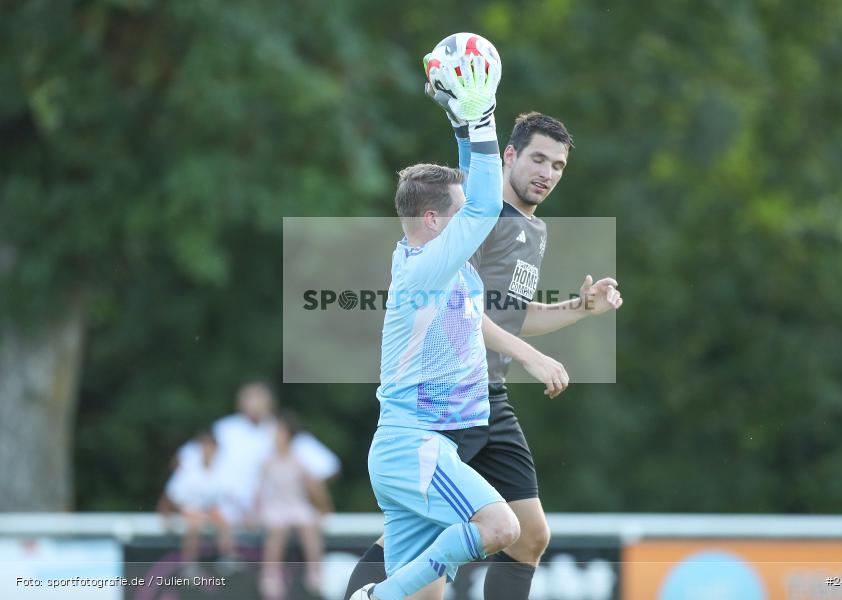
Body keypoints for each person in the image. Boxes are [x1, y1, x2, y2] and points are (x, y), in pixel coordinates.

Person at [345, 110, 622, 599]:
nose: (548, 172)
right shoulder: (480, 221)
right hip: (451, 404)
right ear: (509, 156)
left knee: (528, 534)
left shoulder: (529, 229)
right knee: (432, 549)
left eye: (558, 165)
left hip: (486, 398)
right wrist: (472, 117)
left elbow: (507, 313)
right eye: (538, 158)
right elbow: (468, 317)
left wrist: (580, 308)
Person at [349, 52, 521, 600]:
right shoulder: (425, 269)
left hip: (414, 447)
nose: (469, 216)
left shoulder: (430, 262)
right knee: (502, 528)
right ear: (431, 220)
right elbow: (488, 203)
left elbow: (474, 193)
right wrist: (484, 115)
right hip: (415, 446)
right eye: (457, 210)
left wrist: (460, 123)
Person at [257, 412, 333, 599]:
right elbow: (259, 491)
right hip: (276, 506)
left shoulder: (298, 461)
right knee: (278, 529)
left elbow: (314, 487)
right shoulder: (268, 462)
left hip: (296, 504)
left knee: (308, 525)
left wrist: (325, 509)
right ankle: (270, 574)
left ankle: (314, 570)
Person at [164, 430, 237, 576]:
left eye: (211, 447)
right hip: (189, 508)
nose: (207, 450)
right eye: (204, 446)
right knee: (194, 526)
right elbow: (172, 494)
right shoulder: (188, 468)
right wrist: (167, 514)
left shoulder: (221, 470)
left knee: (224, 522)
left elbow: (227, 496)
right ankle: (189, 565)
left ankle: (227, 557)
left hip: (208, 510)